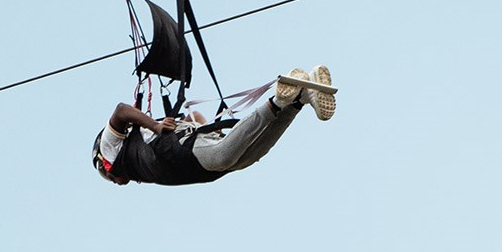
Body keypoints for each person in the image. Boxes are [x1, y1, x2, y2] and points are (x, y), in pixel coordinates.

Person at [92, 65, 334, 186]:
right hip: (188, 163)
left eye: (110, 179)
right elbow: (194, 114)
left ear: (104, 165)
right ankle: (299, 99)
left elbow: (122, 111)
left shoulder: (110, 150)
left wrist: (156, 128)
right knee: (249, 156)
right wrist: (207, 127)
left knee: (223, 157)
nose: (117, 183)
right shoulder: (138, 163)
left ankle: (279, 100)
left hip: (178, 153)